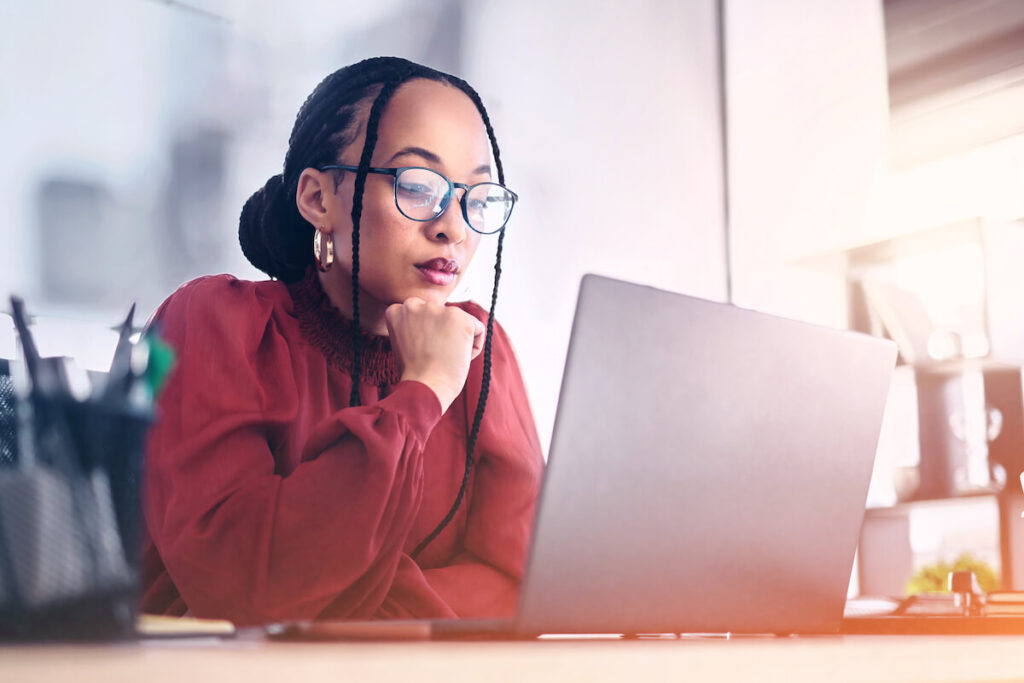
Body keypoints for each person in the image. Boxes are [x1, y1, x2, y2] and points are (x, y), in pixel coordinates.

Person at [139, 57, 544, 626]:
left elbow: (522, 586)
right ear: (318, 200)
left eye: (475, 197)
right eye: (418, 186)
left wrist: (338, 605)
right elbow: (239, 585)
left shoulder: (481, 350)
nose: (452, 226)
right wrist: (423, 388)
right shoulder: (214, 322)